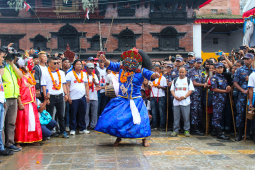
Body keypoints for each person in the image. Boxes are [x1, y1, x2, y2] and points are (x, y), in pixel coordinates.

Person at [95, 48, 159, 147]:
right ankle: (118, 138)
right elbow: (111, 64)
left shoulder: (141, 70)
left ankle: (144, 140)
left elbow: (151, 75)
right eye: (129, 59)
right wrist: (104, 60)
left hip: (136, 100)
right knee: (117, 119)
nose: (130, 62)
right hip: (122, 99)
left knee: (142, 120)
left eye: (133, 60)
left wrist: (155, 74)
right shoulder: (121, 68)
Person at [15, 57, 42, 147]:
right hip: (24, 102)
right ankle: (19, 140)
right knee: (22, 122)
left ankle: (33, 139)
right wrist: (20, 103)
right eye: (30, 64)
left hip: (32, 101)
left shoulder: (30, 75)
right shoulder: (19, 75)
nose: (32, 66)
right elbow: (18, 89)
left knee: (32, 122)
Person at [41, 57, 69, 138]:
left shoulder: (61, 73)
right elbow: (44, 86)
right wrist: (46, 98)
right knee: (49, 115)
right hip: (51, 96)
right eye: (54, 63)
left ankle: (62, 131)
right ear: (49, 64)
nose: (57, 64)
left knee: (61, 115)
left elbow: (64, 84)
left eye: (57, 63)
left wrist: (66, 94)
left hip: (60, 96)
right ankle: (49, 132)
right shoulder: (45, 73)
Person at [2, 48, 23, 152]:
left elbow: (21, 76)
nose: (12, 58)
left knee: (11, 122)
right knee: (2, 124)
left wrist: (12, 64)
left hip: (14, 97)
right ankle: (2, 146)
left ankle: (10, 143)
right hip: (4, 98)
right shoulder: (2, 67)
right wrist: (3, 63)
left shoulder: (12, 67)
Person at [66, 60, 90, 135]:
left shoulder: (84, 74)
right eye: (78, 64)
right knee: (73, 113)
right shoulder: (69, 74)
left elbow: (86, 85)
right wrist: (68, 96)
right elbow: (67, 86)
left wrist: (88, 95)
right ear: (74, 65)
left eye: (80, 64)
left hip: (82, 96)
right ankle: (73, 128)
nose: (79, 66)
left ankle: (82, 128)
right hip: (73, 97)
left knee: (82, 113)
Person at [234, 53, 254, 141]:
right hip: (242, 95)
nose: (246, 60)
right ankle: (239, 134)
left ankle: (251, 133)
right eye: (245, 59)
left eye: (248, 59)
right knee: (240, 115)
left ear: (252, 60)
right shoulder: (239, 70)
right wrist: (242, 90)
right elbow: (235, 83)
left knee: (251, 115)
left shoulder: (253, 71)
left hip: (253, 96)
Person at [171, 66, 194, 137]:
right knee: (176, 117)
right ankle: (176, 130)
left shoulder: (188, 80)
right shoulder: (175, 80)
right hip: (176, 102)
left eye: (182, 72)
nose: (181, 73)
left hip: (185, 102)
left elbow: (191, 90)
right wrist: (175, 96)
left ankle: (186, 130)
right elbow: (172, 90)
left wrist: (184, 97)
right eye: (180, 72)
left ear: (185, 72)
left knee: (186, 117)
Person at [211, 63, 231, 140]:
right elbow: (215, 89)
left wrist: (228, 87)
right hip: (217, 99)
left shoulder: (224, 77)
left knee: (219, 116)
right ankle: (219, 133)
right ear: (215, 69)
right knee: (217, 116)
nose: (220, 69)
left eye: (221, 68)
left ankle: (214, 131)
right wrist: (225, 91)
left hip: (223, 99)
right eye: (218, 68)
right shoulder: (214, 78)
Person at [187, 58, 206, 136]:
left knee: (199, 111)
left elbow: (204, 80)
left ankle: (198, 127)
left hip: (200, 94)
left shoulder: (201, 71)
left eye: (200, 63)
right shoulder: (191, 71)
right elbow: (193, 83)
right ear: (194, 63)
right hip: (193, 94)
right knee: (194, 111)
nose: (199, 64)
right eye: (197, 63)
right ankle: (193, 128)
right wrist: (203, 85)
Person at [0, 50, 13, 156]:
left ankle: (2, 147)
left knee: (1, 127)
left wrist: (3, 99)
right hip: (4, 99)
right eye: (2, 57)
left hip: (2, 99)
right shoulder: (2, 68)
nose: (3, 59)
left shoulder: (5, 67)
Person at [150, 65, 167, 131]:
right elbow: (149, 86)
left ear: (160, 70)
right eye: (155, 70)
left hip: (160, 97)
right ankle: (154, 125)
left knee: (161, 112)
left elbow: (165, 87)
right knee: (153, 112)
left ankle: (162, 125)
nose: (156, 71)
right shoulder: (151, 78)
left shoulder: (163, 78)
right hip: (153, 96)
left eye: (157, 70)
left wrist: (161, 87)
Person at [85, 63, 100, 130]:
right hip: (86, 96)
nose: (91, 69)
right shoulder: (84, 75)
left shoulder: (95, 76)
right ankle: (85, 125)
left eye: (92, 68)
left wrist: (95, 82)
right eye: (90, 68)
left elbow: (98, 86)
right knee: (86, 112)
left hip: (94, 96)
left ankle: (93, 125)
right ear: (87, 68)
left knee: (94, 112)